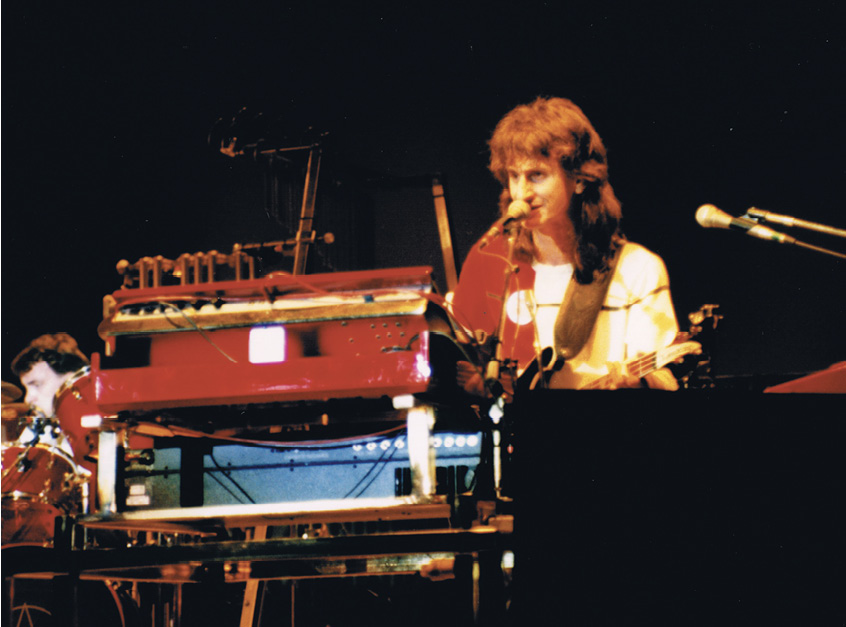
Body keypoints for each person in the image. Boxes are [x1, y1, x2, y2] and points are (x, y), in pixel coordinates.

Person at [451, 97, 680, 392]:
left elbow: (663, 378)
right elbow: (460, 361)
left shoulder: (636, 269)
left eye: (537, 175)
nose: (521, 193)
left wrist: (640, 384)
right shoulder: (492, 259)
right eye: (513, 176)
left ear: (580, 179)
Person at [10, 333, 90, 456]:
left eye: (37, 384)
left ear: (72, 378)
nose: (27, 399)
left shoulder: (107, 421)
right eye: (26, 388)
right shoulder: (39, 429)